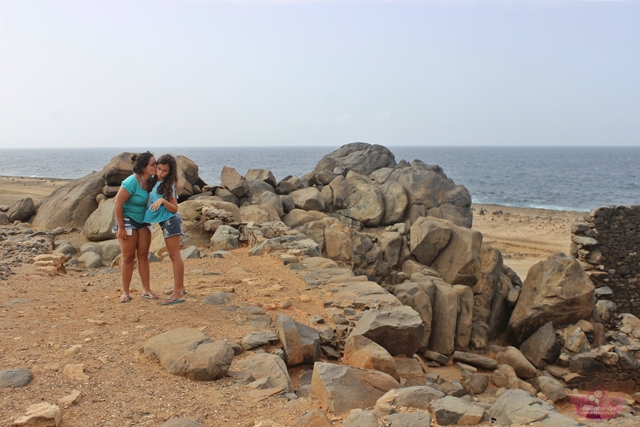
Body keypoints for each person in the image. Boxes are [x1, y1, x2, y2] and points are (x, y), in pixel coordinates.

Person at [113, 151, 158, 303]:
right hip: (127, 219)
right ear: (144, 167)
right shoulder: (131, 182)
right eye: (153, 164)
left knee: (143, 255)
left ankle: (147, 290)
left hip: (144, 220)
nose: (156, 166)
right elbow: (117, 204)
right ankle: (125, 292)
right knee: (128, 257)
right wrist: (121, 227)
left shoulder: (152, 181)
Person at [143, 154, 186, 305]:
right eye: (159, 168)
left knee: (175, 256)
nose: (160, 172)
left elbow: (174, 208)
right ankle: (181, 286)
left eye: (165, 170)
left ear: (171, 172)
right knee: (174, 256)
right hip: (164, 222)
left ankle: (178, 291)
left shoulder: (170, 185)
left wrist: (162, 201)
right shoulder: (155, 181)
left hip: (171, 222)